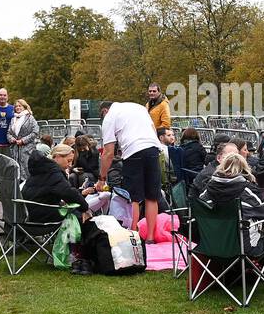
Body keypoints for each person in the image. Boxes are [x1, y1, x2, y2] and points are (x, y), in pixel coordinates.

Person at [98, 100, 163, 241]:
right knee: (152, 196)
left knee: (132, 198)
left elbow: (108, 153)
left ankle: (132, 235)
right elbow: (152, 129)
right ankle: (150, 237)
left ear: (104, 111)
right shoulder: (139, 107)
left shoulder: (109, 117)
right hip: (153, 149)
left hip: (133, 152)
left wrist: (101, 178)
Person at [22, 143, 96, 221]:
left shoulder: (42, 167)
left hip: (28, 212)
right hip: (41, 216)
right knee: (79, 216)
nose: (70, 165)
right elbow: (69, 193)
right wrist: (85, 208)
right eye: (69, 160)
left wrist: (80, 192)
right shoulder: (53, 172)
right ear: (57, 156)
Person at [7, 98, 39, 168]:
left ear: (24, 107)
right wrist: (11, 139)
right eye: (16, 106)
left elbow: (35, 132)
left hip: (27, 149)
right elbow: (8, 132)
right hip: (15, 150)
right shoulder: (13, 119)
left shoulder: (30, 118)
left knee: (27, 169)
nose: (18, 107)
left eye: (20, 106)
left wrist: (23, 140)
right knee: (16, 169)